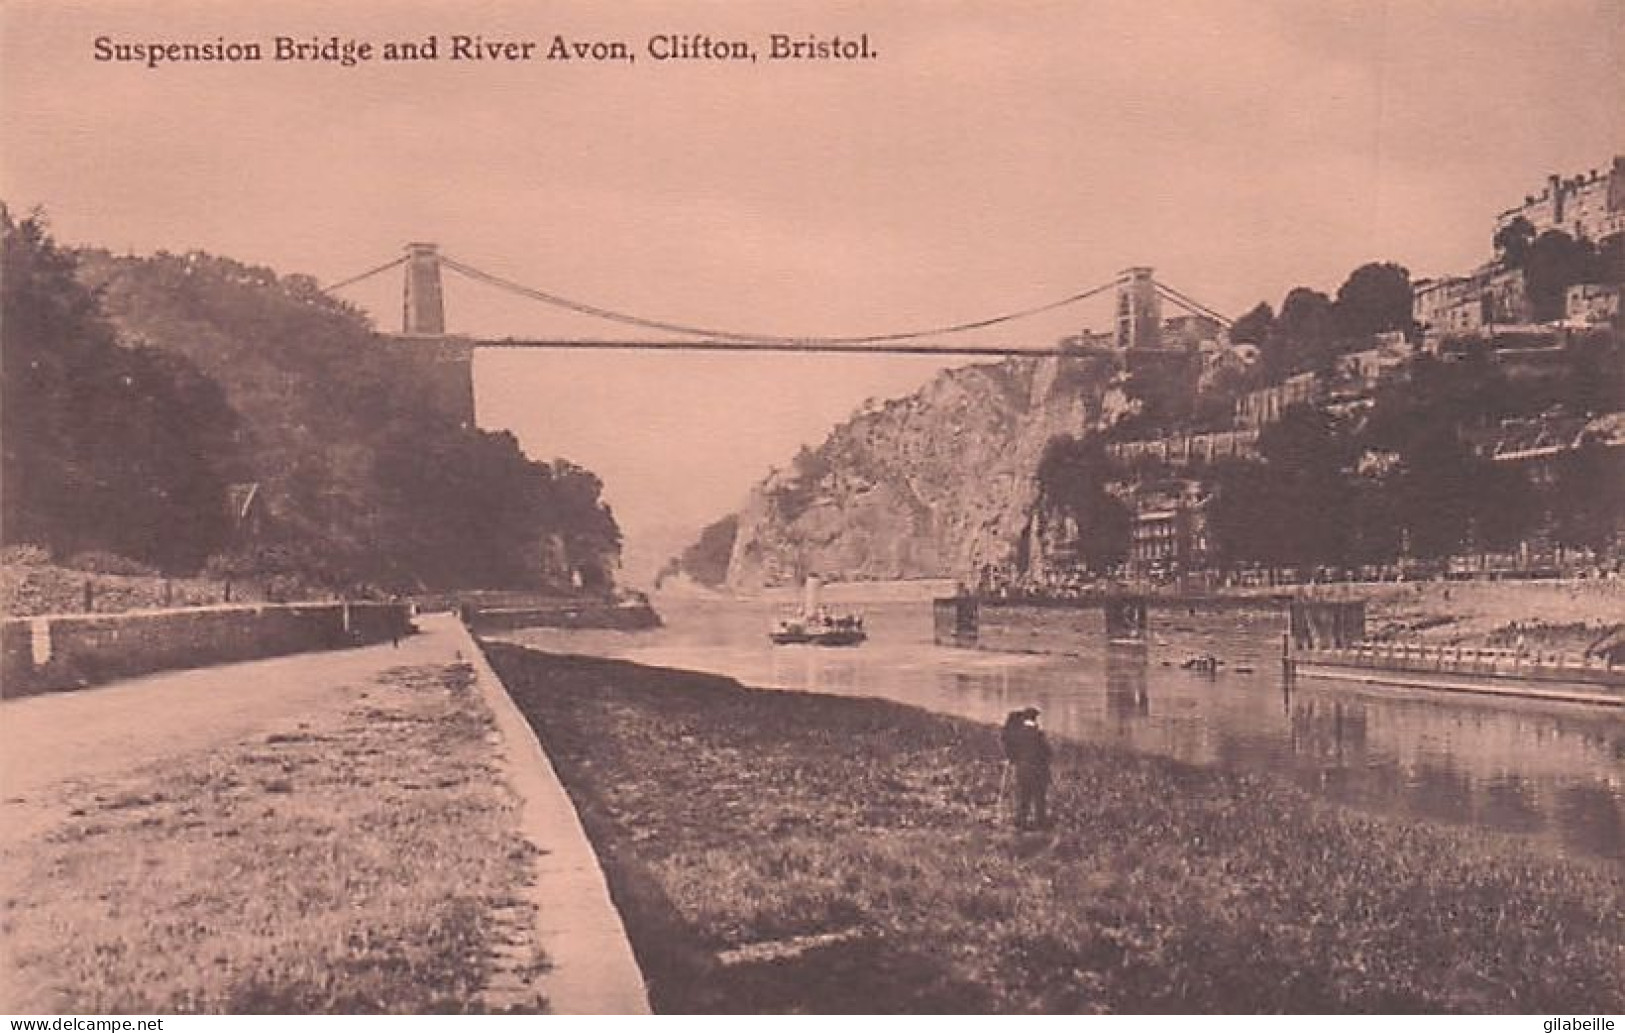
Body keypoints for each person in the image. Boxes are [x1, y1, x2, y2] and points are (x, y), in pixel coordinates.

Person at [1001, 706, 1051, 830]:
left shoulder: (1018, 733)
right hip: (1038, 771)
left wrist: (1012, 759)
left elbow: (1011, 750)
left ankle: (1021, 821)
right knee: (1039, 798)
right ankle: (1040, 822)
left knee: (1024, 796)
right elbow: (1047, 753)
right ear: (1035, 719)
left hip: (1022, 770)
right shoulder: (1038, 735)